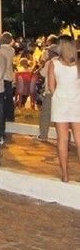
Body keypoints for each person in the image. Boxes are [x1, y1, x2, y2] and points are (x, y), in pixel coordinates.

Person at [47, 36, 80, 183]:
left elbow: (51, 86)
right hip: (77, 102)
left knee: (62, 139)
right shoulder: (78, 64)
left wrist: (60, 96)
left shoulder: (53, 64)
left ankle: (65, 174)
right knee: (79, 139)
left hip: (60, 102)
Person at [36, 45, 58, 144]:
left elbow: (41, 74)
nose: (47, 53)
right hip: (62, 92)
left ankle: (43, 135)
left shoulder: (50, 62)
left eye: (49, 51)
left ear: (53, 52)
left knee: (46, 115)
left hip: (50, 91)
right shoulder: (64, 61)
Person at [0, 31, 16, 124]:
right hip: (8, 76)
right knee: (9, 98)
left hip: (1, 76)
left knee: (2, 97)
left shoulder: (0, 49)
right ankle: (10, 116)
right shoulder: (12, 50)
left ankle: (4, 115)